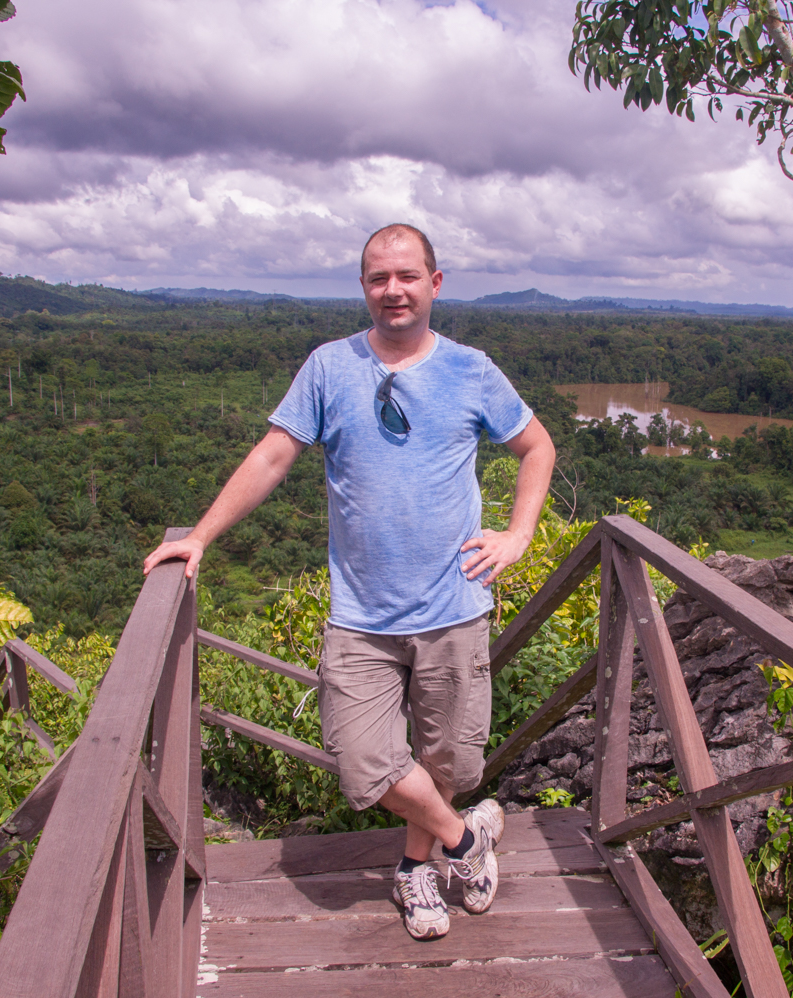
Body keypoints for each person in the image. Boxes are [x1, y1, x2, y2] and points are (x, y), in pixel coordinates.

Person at [142, 223, 556, 941]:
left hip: (454, 605)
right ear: (363, 286)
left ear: (435, 283)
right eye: (377, 278)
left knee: (447, 758)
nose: (392, 290)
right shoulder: (330, 368)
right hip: (361, 615)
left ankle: (414, 870)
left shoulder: (470, 369)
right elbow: (273, 456)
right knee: (363, 760)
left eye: (406, 276)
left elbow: (536, 445)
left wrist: (518, 536)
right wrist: (200, 536)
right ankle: (465, 841)